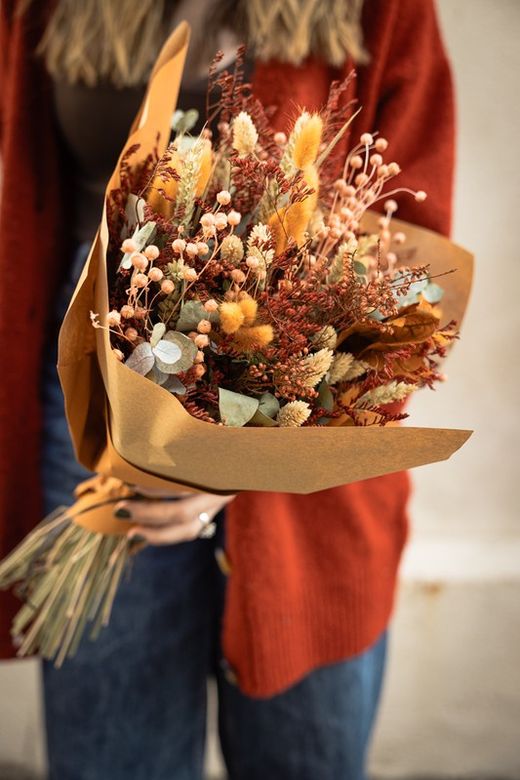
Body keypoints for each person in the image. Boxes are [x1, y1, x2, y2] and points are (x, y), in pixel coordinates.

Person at [0, 1, 455, 778]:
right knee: (113, 754)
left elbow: (418, 270)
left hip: (311, 447)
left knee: (304, 752)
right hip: (94, 417)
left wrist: (244, 451)